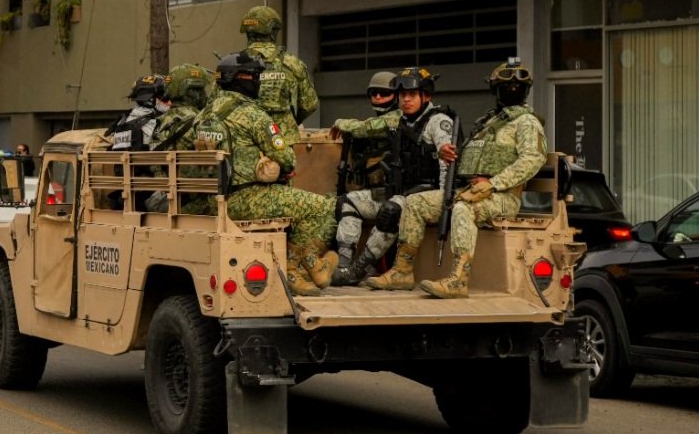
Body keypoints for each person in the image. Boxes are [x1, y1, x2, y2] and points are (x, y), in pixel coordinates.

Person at [365, 58, 546, 299]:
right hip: (468, 189)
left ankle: (459, 279)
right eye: (505, 85)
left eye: (517, 86)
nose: (511, 89)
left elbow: (532, 159)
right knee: (415, 203)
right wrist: (447, 153)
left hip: (501, 197)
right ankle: (402, 271)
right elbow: (474, 157)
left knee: (462, 209)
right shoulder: (490, 122)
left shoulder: (526, 122)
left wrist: (493, 184)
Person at [194, 52, 337, 296]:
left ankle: (310, 269)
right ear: (240, 78)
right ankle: (295, 268)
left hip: (212, 200)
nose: (258, 81)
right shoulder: (253, 115)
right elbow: (288, 158)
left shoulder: (204, 115)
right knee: (321, 206)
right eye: (255, 76)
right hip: (245, 199)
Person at [329, 67, 456, 286]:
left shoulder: (437, 121)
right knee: (348, 202)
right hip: (398, 191)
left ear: (426, 96)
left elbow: (447, 161)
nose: (406, 100)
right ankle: (343, 265)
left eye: (412, 95)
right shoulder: (401, 121)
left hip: (424, 196)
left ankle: (359, 269)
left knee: (391, 209)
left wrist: (445, 204)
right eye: (402, 95)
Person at [239, 5, 318, 145]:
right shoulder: (292, 64)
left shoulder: (231, 64)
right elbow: (309, 105)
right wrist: (290, 120)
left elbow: (215, 105)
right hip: (281, 143)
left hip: (243, 143)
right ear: (273, 31)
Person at [150, 63, 214, 151]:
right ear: (188, 92)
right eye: (198, 90)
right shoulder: (199, 121)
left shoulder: (158, 122)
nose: (204, 94)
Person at [106, 74, 170, 150]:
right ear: (149, 100)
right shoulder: (153, 124)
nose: (170, 102)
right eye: (166, 98)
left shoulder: (124, 120)